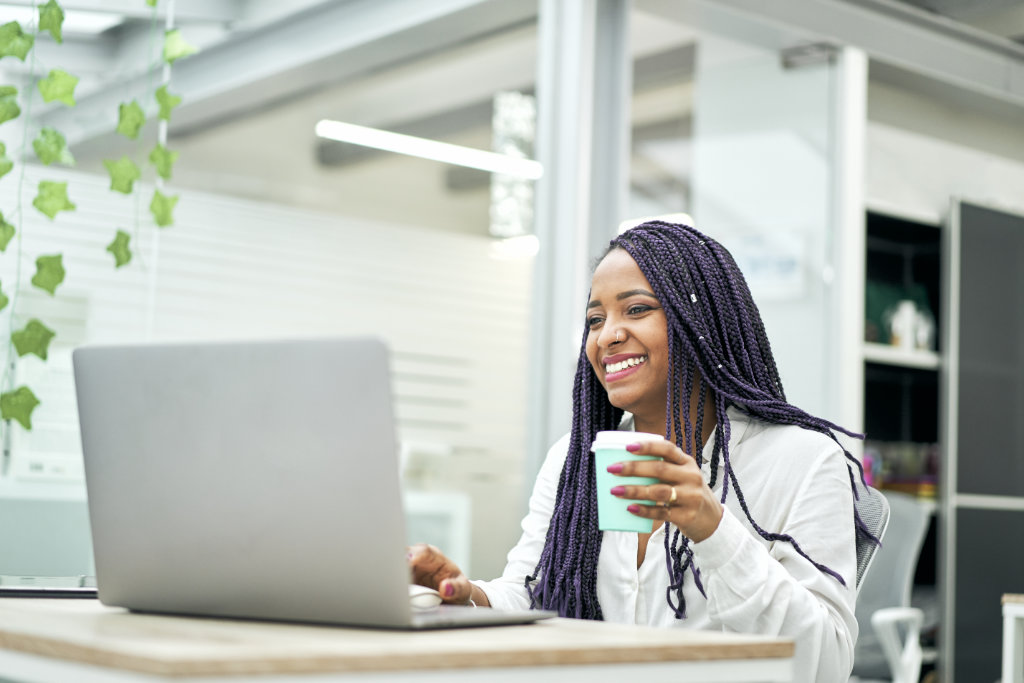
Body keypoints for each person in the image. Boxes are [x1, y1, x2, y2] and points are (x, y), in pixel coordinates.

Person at [409, 220, 870, 682]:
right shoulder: (573, 461)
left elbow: (824, 664)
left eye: (635, 309)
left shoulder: (803, 461)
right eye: (595, 319)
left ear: (700, 322)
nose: (607, 334)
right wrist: (467, 598)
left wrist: (713, 532)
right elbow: (533, 596)